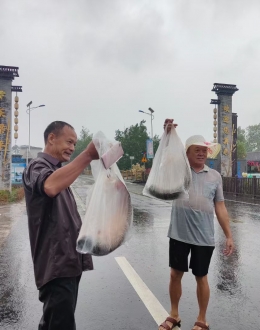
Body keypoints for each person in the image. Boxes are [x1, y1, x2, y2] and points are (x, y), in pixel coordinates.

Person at [22, 121, 99, 330]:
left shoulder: (58, 171)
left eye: (75, 144)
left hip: (68, 262)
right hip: (56, 264)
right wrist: (88, 155)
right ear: (51, 138)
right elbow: (49, 185)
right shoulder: (37, 167)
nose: (73, 148)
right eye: (69, 142)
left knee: (55, 322)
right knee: (60, 324)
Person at [159, 119, 234, 330]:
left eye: (204, 150)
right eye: (196, 150)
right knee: (175, 274)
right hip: (179, 233)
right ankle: (174, 314)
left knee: (201, 277)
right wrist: (167, 134)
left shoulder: (215, 177)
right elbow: (164, 157)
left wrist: (228, 235)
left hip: (204, 236)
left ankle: (202, 319)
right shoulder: (179, 170)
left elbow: (220, 207)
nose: (201, 153)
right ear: (187, 153)